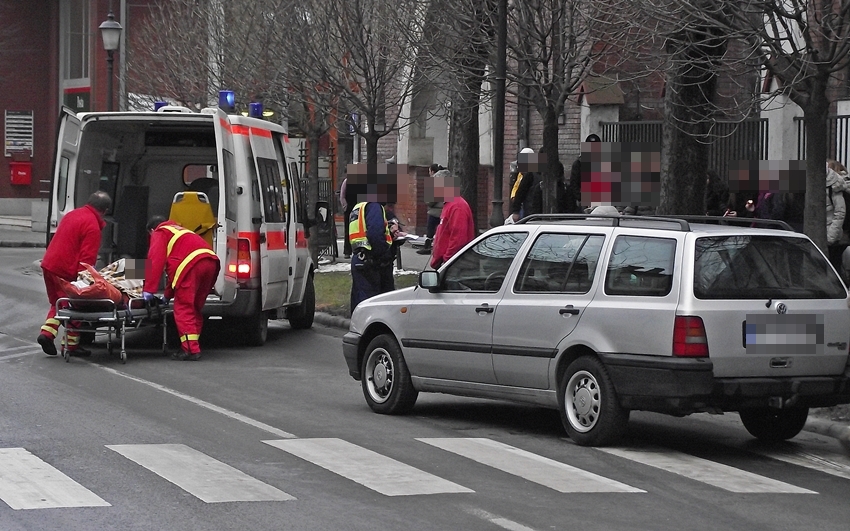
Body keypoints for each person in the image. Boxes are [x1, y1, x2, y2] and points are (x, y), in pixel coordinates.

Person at [37, 191, 112, 357]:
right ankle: (71, 347)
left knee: (58, 303)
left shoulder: (73, 215)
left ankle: (47, 334)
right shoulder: (93, 226)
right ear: (105, 211)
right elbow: (86, 260)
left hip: (49, 264)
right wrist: (85, 283)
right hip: (65, 270)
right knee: (74, 305)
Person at [143, 216, 221, 361]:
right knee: (194, 308)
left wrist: (149, 289)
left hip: (191, 265)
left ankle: (191, 349)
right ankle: (192, 343)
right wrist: (167, 296)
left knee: (183, 308)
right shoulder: (180, 231)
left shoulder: (160, 232)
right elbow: (174, 274)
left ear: (152, 230)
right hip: (210, 262)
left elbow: (155, 261)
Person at [348, 183, 400, 312]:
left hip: (360, 260)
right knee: (375, 306)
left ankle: (359, 329)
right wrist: (383, 254)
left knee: (361, 302)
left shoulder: (359, 207)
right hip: (372, 263)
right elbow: (375, 234)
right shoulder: (374, 207)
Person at [430, 170, 475, 269]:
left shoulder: (457, 206)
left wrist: (447, 260)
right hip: (448, 263)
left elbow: (458, 239)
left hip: (453, 265)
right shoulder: (449, 204)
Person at [417, 163, 446, 255]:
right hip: (445, 210)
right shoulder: (449, 179)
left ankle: (427, 247)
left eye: (429, 171)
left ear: (433, 171)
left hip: (434, 211)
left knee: (430, 231)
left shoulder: (434, 181)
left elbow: (430, 200)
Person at [508, 147, 542, 223]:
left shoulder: (530, 175)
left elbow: (520, 192)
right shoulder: (525, 174)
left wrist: (515, 211)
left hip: (530, 210)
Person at [825, 162, 847, 276]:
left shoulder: (833, 186)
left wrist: (830, 237)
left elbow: (840, 212)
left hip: (832, 237)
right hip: (824, 234)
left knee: (833, 269)